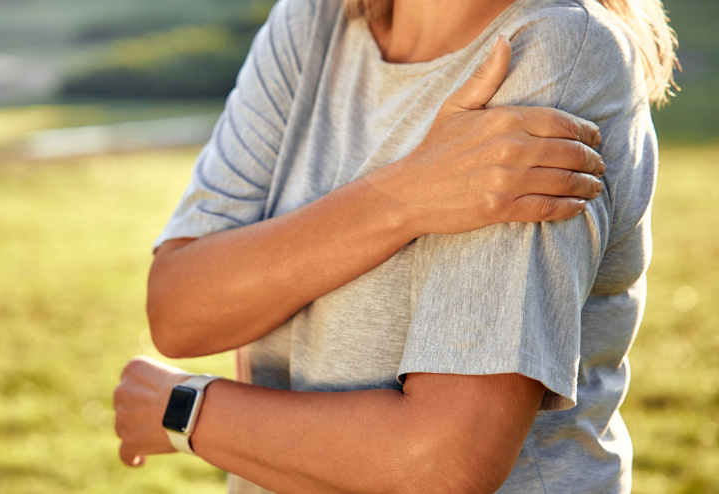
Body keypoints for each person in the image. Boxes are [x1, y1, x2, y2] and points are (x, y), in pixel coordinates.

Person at [113, 0, 677, 492]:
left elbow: (439, 464)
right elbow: (179, 309)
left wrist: (185, 408)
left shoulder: (556, 50)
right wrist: (404, 196)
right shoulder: (312, 22)